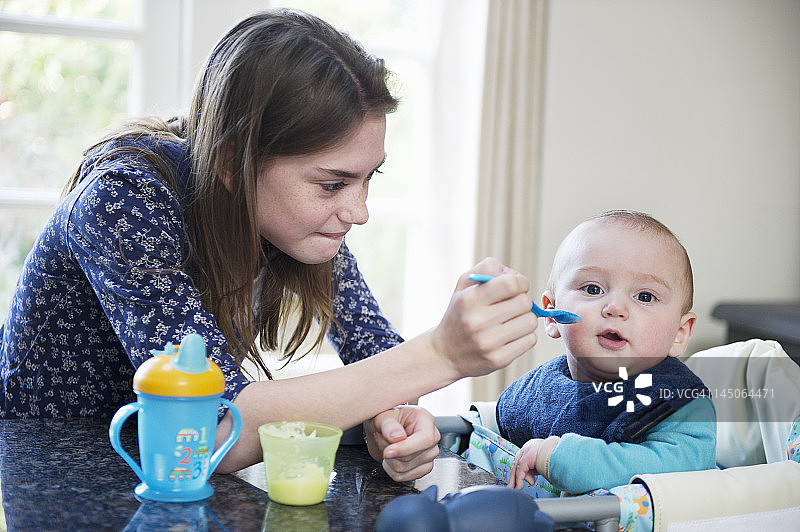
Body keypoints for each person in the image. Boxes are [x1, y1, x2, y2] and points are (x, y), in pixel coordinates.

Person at [0, 9, 538, 480]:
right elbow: (213, 432)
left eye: (369, 177)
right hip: (43, 469)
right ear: (233, 163)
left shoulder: (288, 221)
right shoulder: (124, 200)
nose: (359, 211)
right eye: (333, 184)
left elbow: (376, 352)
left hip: (162, 484)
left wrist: (396, 419)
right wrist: (441, 354)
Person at [496, 210, 716, 494]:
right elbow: (495, 427)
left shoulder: (680, 401)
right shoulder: (541, 389)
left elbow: (675, 470)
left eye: (645, 296)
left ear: (679, 333)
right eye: (592, 288)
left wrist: (558, 458)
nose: (615, 308)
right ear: (551, 316)